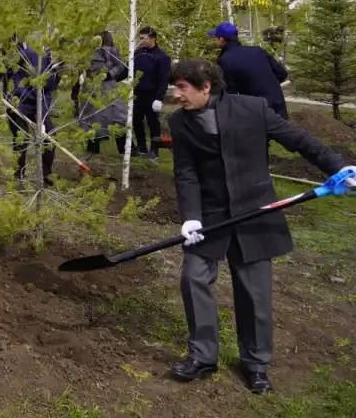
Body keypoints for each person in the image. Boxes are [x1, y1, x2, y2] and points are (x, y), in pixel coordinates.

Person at [166, 58, 355, 394]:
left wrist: (339, 167)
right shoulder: (180, 123)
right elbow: (186, 172)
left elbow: (298, 139)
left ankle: (255, 364)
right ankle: (203, 356)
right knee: (193, 277)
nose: (176, 94)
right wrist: (191, 215)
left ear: (205, 87)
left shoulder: (252, 108)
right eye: (175, 87)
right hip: (209, 213)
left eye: (182, 87)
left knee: (254, 292)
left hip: (256, 210)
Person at [208, 21, 289, 118]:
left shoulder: (225, 60)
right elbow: (282, 73)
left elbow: (230, 93)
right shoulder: (257, 51)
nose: (214, 41)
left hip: (257, 111)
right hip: (279, 105)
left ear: (221, 39)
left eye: (215, 38)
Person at [6, 38, 58, 184]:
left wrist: (42, 116)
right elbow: (17, 83)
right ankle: (19, 174)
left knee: (51, 135)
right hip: (20, 103)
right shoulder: (29, 55)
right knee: (21, 138)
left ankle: (46, 174)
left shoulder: (52, 60)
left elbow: (48, 90)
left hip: (39, 104)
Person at [78, 30, 129, 157]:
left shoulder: (111, 52)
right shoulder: (88, 52)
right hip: (91, 88)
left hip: (108, 88)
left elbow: (121, 66)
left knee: (118, 117)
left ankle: (125, 149)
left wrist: (109, 74)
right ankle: (93, 149)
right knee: (93, 118)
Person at [132, 26, 171, 158]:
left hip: (152, 95)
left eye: (144, 38)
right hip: (137, 93)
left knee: (153, 123)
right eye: (140, 38)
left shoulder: (161, 57)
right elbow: (127, 69)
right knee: (136, 121)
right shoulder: (137, 54)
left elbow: (164, 79)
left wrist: (159, 98)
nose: (141, 40)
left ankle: (154, 150)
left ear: (153, 39)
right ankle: (142, 148)